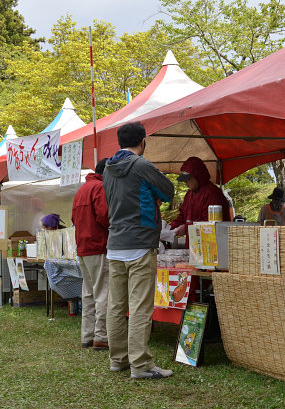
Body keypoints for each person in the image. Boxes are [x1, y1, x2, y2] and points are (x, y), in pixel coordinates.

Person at [103, 121, 175, 379]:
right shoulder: (143, 166)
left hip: (115, 245)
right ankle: (141, 365)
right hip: (141, 244)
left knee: (116, 306)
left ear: (120, 142)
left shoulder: (108, 169)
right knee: (140, 308)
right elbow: (168, 191)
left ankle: (118, 359)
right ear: (143, 141)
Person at [72, 158, 110, 351]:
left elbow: (73, 219)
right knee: (103, 293)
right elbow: (105, 217)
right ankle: (101, 336)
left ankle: (87, 335)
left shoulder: (81, 190)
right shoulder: (99, 188)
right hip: (98, 245)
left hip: (83, 247)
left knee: (88, 294)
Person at [169, 156, 230, 245]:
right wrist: (169, 227)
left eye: (188, 179)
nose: (186, 183)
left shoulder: (212, 193)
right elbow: (182, 216)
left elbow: (211, 223)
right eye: (185, 181)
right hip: (194, 243)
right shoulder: (189, 194)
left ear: (197, 176)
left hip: (211, 244)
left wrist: (186, 229)